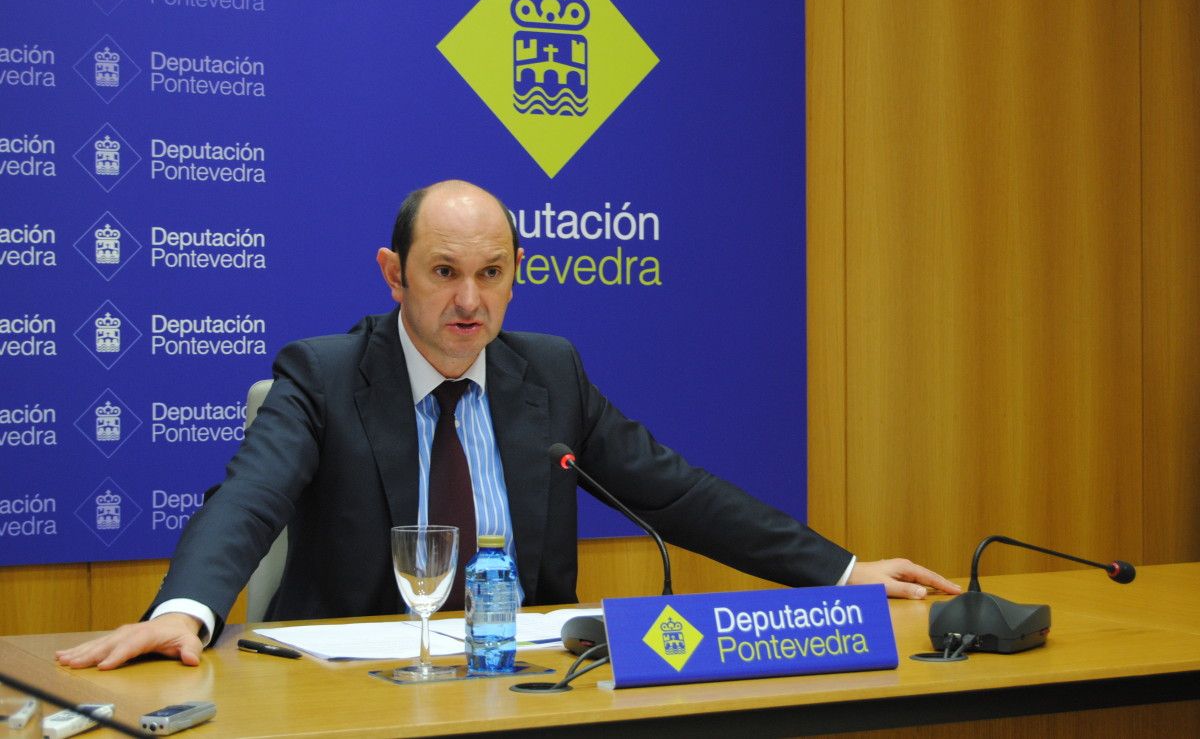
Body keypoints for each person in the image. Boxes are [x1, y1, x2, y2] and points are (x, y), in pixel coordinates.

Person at [57, 180, 959, 670]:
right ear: (392, 272)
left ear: (517, 274)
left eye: (491, 273)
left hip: (527, 685)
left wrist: (841, 572)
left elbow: (674, 490)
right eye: (443, 270)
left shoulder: (548, 373)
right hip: (354, 688)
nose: (468, 299)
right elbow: (247, 501)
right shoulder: (325, 374)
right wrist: (185, 611)